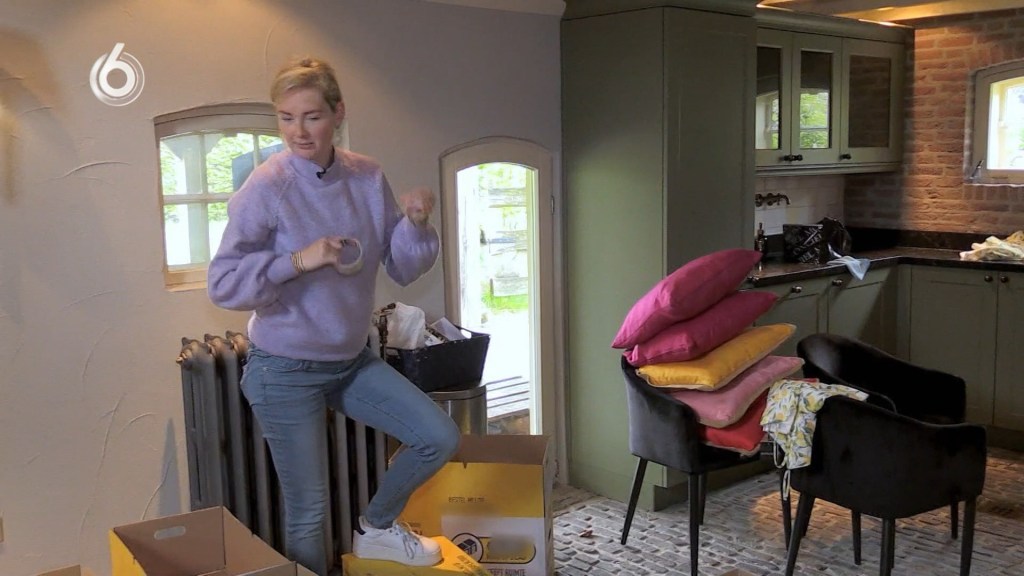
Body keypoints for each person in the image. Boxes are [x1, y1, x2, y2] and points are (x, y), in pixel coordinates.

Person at [208, 57, 460, 576]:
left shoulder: (366, 176)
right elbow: (224, 282)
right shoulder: (267, 185)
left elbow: (403, 267)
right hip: (283, 368)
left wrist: (416, 224)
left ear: (338, 113)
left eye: (312, 116)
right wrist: (299, 260)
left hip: (350, 360)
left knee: (438, 437)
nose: (298, 131)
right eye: (286, 118)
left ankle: (377, 528)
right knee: (309, 513)